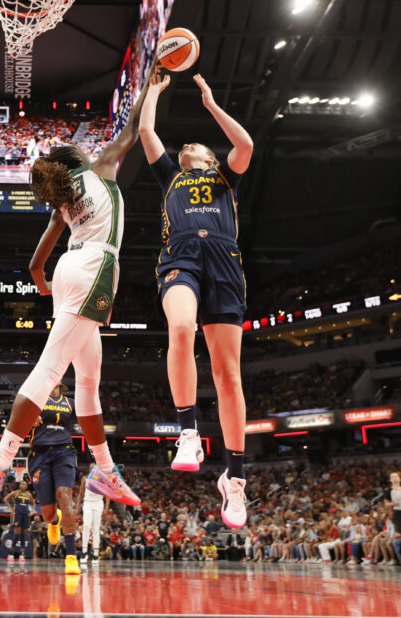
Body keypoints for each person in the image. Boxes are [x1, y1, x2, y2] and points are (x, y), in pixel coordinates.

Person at [0, 74, 156, 517]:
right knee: (51, 370)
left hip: (70, 269)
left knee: (89, 381)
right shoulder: (98, 169)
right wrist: (153, 88)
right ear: (80, 156)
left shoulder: (63, 200)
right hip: (93, 266)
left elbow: (37, 263)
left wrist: (46, 285)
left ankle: (105, 470)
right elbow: (132, 130)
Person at [138, 71, 254, 529]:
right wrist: (153, 91)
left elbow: (244, 145)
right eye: (183, 146)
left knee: (228, 376)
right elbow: (147, 131)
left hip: (224, 264)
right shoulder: (169, 175)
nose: (186, 146)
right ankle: (188, 432)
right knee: (182, 328)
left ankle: (235, 478)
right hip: (181, 259)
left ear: (209, 158)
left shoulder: (226, 176)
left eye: (196, 146)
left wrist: (210, 103)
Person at [25, 382, 81, 574]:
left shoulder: (70, 402)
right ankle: (54, 522)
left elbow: (89, 418)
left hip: (64, 452)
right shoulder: (35, 401)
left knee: (65, 496)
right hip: (39, 455)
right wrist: (29, 419)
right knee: (48, 513)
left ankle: (71, 556)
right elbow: (17, 422)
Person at [77, 466, 107, 565]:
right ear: (89, 470)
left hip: (98, 503)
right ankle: (84, 552)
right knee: (86, 526)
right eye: (91, 467)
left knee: (96, 528)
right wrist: (77, 507)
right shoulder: (85, 479)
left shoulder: (102, 479)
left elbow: (108, 494)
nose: (93, 469)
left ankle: (95, 554)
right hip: (88, 503)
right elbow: (81, 494)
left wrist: (106, 508)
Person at [3, 480, 35, 563]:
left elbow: (33, 503)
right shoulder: (15, 492)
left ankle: (22, 554)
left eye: (25, 484)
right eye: (22, 484)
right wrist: (11, 509)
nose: (23, 485)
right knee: (17, 535)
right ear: (19, 485)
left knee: (24, 535)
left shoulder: (29, 494)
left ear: (27, 486)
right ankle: (11, 554)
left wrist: (32, 511)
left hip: (26, 515)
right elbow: (6, 499)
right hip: (17, 514)